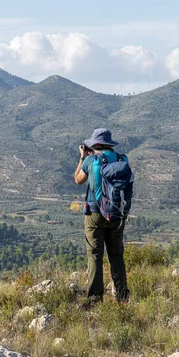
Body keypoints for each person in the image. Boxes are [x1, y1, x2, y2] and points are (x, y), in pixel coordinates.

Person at [74, 128, 130, 303]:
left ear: (95, 145)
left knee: (95, 255)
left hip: (95, 214)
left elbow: (78, 179)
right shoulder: (122, 159)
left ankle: (95, 299)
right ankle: (122, 297)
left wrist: (82, 157)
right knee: (116, 256)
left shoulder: (91, 160)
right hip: (116, 215)